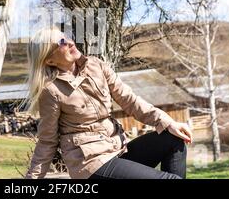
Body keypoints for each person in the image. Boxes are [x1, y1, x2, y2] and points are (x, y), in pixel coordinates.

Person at [24, 27, 192, 179]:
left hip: (117, 150)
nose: (69, 42)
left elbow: (129, 100)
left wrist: (167, 122)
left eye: (66, 36)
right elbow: (47, 141)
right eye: (60, 42)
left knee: (174, 140)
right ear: (50, 60)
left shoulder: (96, 65)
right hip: (91, 164)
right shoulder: (51, 91)